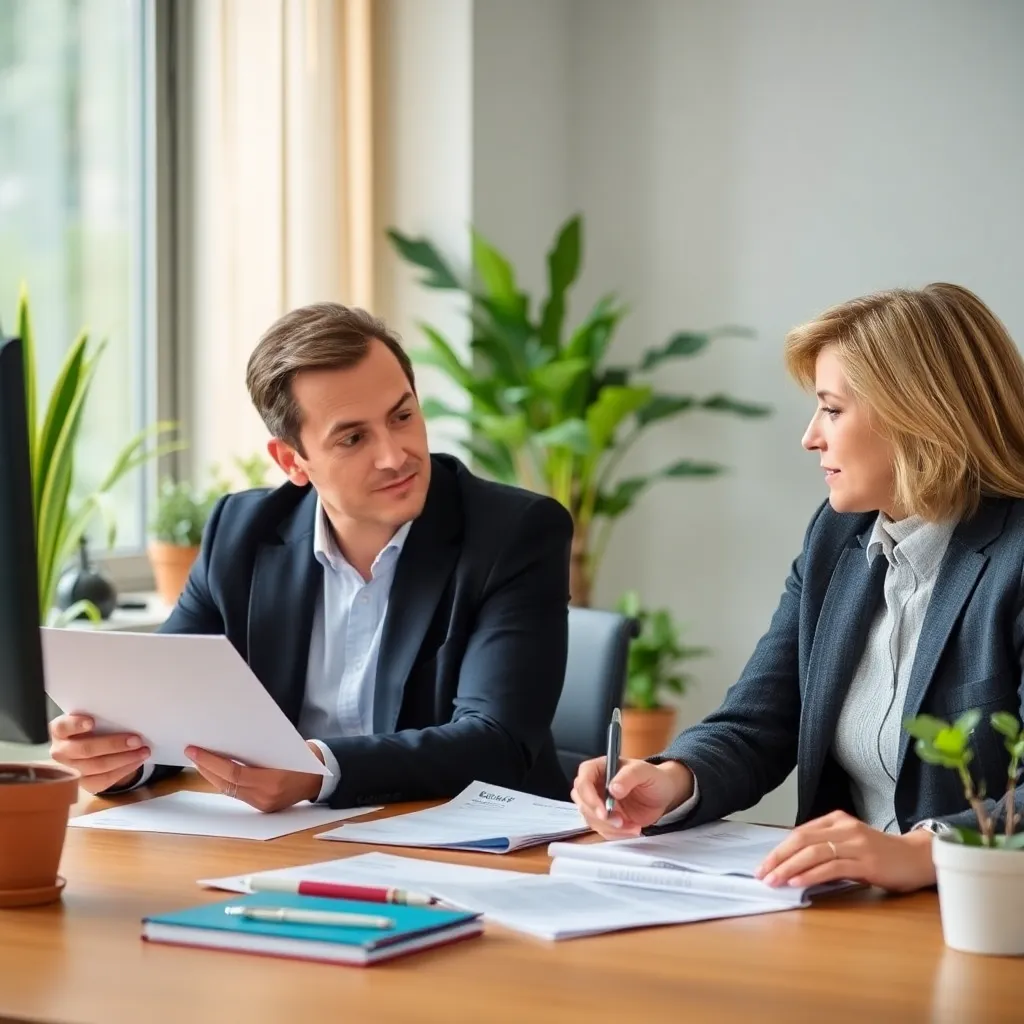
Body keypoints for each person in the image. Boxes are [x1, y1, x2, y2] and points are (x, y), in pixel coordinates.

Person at [573, 282, 1024, 894]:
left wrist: (924, 852)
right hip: (843, 912)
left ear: (919, 414)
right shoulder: (835, 537)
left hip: (981, 912)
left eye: (832, 409)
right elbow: (760, 720)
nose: (811, 436)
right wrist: (673, 778)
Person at [49, 303, 573, 810]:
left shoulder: (514, 533)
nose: (395, 456)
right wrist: (120, 758)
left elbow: (496, 744)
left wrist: (321, 771)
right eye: (352, 438)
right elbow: (172, 711)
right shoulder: (242, 533)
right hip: (294, 847)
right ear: (293, 461)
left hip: (476, 851)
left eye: (403, 416)